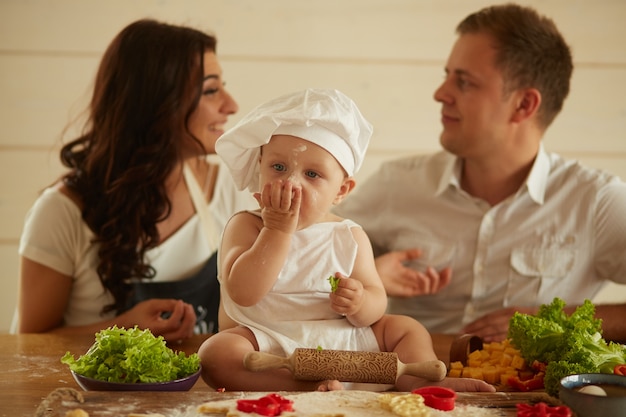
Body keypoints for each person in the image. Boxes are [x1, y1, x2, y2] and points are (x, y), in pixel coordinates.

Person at [334, 3, 626, 344]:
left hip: (527, 396)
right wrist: (369, 278)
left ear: (523, 105)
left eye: (465, 82)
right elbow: (297, 265)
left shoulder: (596, 202)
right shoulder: (396, 184)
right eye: (447, 76)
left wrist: (553, 321)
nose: (440, 94)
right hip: (402, 390)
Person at [198, 88, 494, 392]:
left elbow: (376, 300)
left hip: (345, 346)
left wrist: (360, 301)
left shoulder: (348, 235)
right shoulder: (247, 225)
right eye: (278, 168)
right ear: (258, 169)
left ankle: (419, 380)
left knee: (407, 328)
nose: (291, 183)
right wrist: (276, 231)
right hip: (270, 346)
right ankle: (305, 386)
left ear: (341, 191)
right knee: (216, 354)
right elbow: (244, 293)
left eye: (312, 174)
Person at [13, 19, 256, 341]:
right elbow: (26, 345)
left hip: (204, 392)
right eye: (211, 90)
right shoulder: (62, 211)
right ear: (156, 103)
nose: (231, 105)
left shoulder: (229, 189)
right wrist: (123, 329)